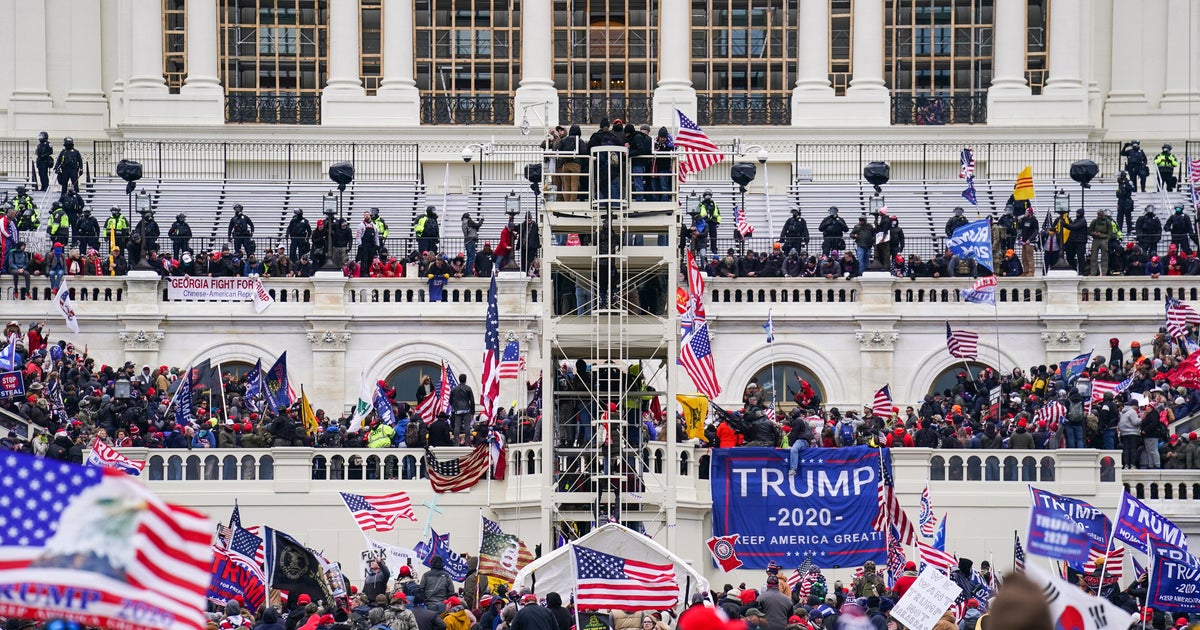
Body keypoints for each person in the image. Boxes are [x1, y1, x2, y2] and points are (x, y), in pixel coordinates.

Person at [554, 125, 586, 201]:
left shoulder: (564, 140)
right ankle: (572, 202)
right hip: (576, 164)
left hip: (565, 164)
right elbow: (584, 152)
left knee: (566, 185)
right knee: (574, 185)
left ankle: (567, 201)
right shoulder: (579, 140)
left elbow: (558, 150)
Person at [1088, 209, 1116, 276]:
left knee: (1104, 257)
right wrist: (1094, 233)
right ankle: (1093, 272)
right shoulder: (1094, 221)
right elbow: (1089, 231)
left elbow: (1110, 232)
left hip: (1104, 240)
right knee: (1093, 257)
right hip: (1096, 239)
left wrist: (1107, 239)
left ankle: (1104, 272)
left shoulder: (1107, 221)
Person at [448, 374, 474, 446]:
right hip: (466, 409)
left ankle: (456, 442)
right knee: (467, 426)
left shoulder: (454, 389)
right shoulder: (468, 388)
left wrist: (454, 406)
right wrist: (472, 411)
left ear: (459, 379)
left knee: (457, 426)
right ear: (465, 380)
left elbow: (450, 400)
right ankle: (467, 442)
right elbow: (472, 400)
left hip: (457, 410)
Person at [697, 191, 720, 255]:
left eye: (709, 195)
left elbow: (718, 213)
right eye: (706, 195)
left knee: (713, 236)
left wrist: (718, 222)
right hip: (704, 222)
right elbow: (698, 213)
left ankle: (714, 249)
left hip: (712, 222)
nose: (708, 197)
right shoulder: (701, 204)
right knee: (704, 236)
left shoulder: (714, 203)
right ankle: (702, 249)